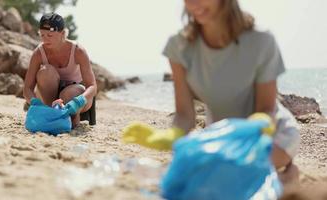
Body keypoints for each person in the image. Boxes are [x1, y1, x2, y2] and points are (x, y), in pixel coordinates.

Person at [123, 0, 300, 184]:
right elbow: (184, 114)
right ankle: (276, 177)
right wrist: (170, 135)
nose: (192, 3)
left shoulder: (261, 41)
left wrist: (254, 126)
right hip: (218, 136)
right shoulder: (179, 46)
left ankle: (286, 179)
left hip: (268, 134)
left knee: (229, 175)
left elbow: (266, 108)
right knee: (190, 174)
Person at [23, 13, 97, 128]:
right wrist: (33, 102)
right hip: (49, 96)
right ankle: (50, 112)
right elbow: (27, 88)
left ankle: (73, 116)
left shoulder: (78, 51)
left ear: (63, 33)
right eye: (42, 35)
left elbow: (92, 86)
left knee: (68, 94)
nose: (45, 39)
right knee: (46, 71)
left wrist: (80, 101)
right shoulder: (39, 53)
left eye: (50, 35)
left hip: (74, 94)